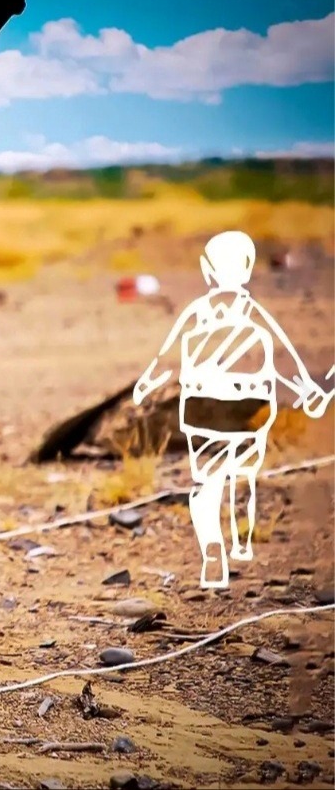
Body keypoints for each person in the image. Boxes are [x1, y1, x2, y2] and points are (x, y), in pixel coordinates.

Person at [134, 230, 332, 588]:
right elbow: (283, 356)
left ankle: (214, 548)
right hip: (247, 411)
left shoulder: (196, 313)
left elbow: (166, 358)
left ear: (206, 269)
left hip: (203, 411)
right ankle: (239, 541)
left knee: (207, 484)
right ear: (249, 270)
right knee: (241, 478)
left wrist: (147, 383)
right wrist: (308, 392)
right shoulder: (255, 314)